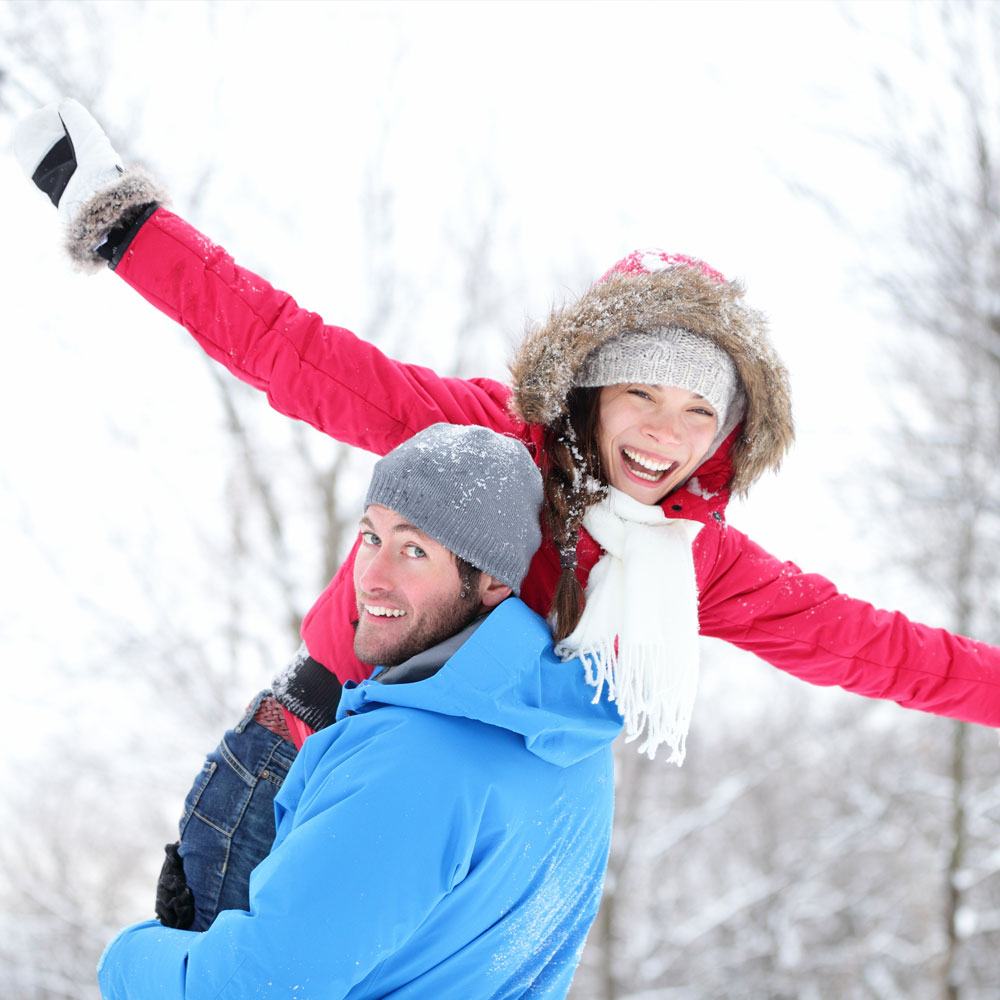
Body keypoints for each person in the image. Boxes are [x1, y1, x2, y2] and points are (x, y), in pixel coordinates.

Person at [14, 100, 1000, 931]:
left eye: (700, 411)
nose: (666, 434)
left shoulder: (693, 560)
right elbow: (294, 354)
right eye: (642, 395)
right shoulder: (487, 442)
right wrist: (128, 228)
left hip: (452, 829)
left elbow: (876, 649)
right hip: (314, 758)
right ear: (587, 388)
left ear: (729, 437)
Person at [97, 421, 622, 999]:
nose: (370, 578)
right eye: (371, 537)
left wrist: (129, 956)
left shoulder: (412, 761)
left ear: (492, 581)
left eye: (414, 550)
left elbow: (249, 989)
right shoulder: (572, 741)